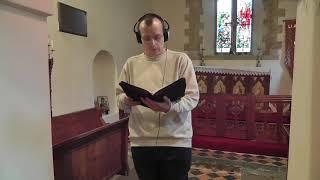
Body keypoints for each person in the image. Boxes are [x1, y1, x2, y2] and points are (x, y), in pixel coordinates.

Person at [116, 13, 199, 180]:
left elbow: (193, 97)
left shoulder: (181, 60)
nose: (153, 43)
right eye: (146, 38)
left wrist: (171, 107)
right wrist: (126, 100)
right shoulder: (131, 64)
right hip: (142, 142)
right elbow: (118, 97)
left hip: (176, 142)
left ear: (165, 35)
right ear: (139, 38)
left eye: (157, 37)